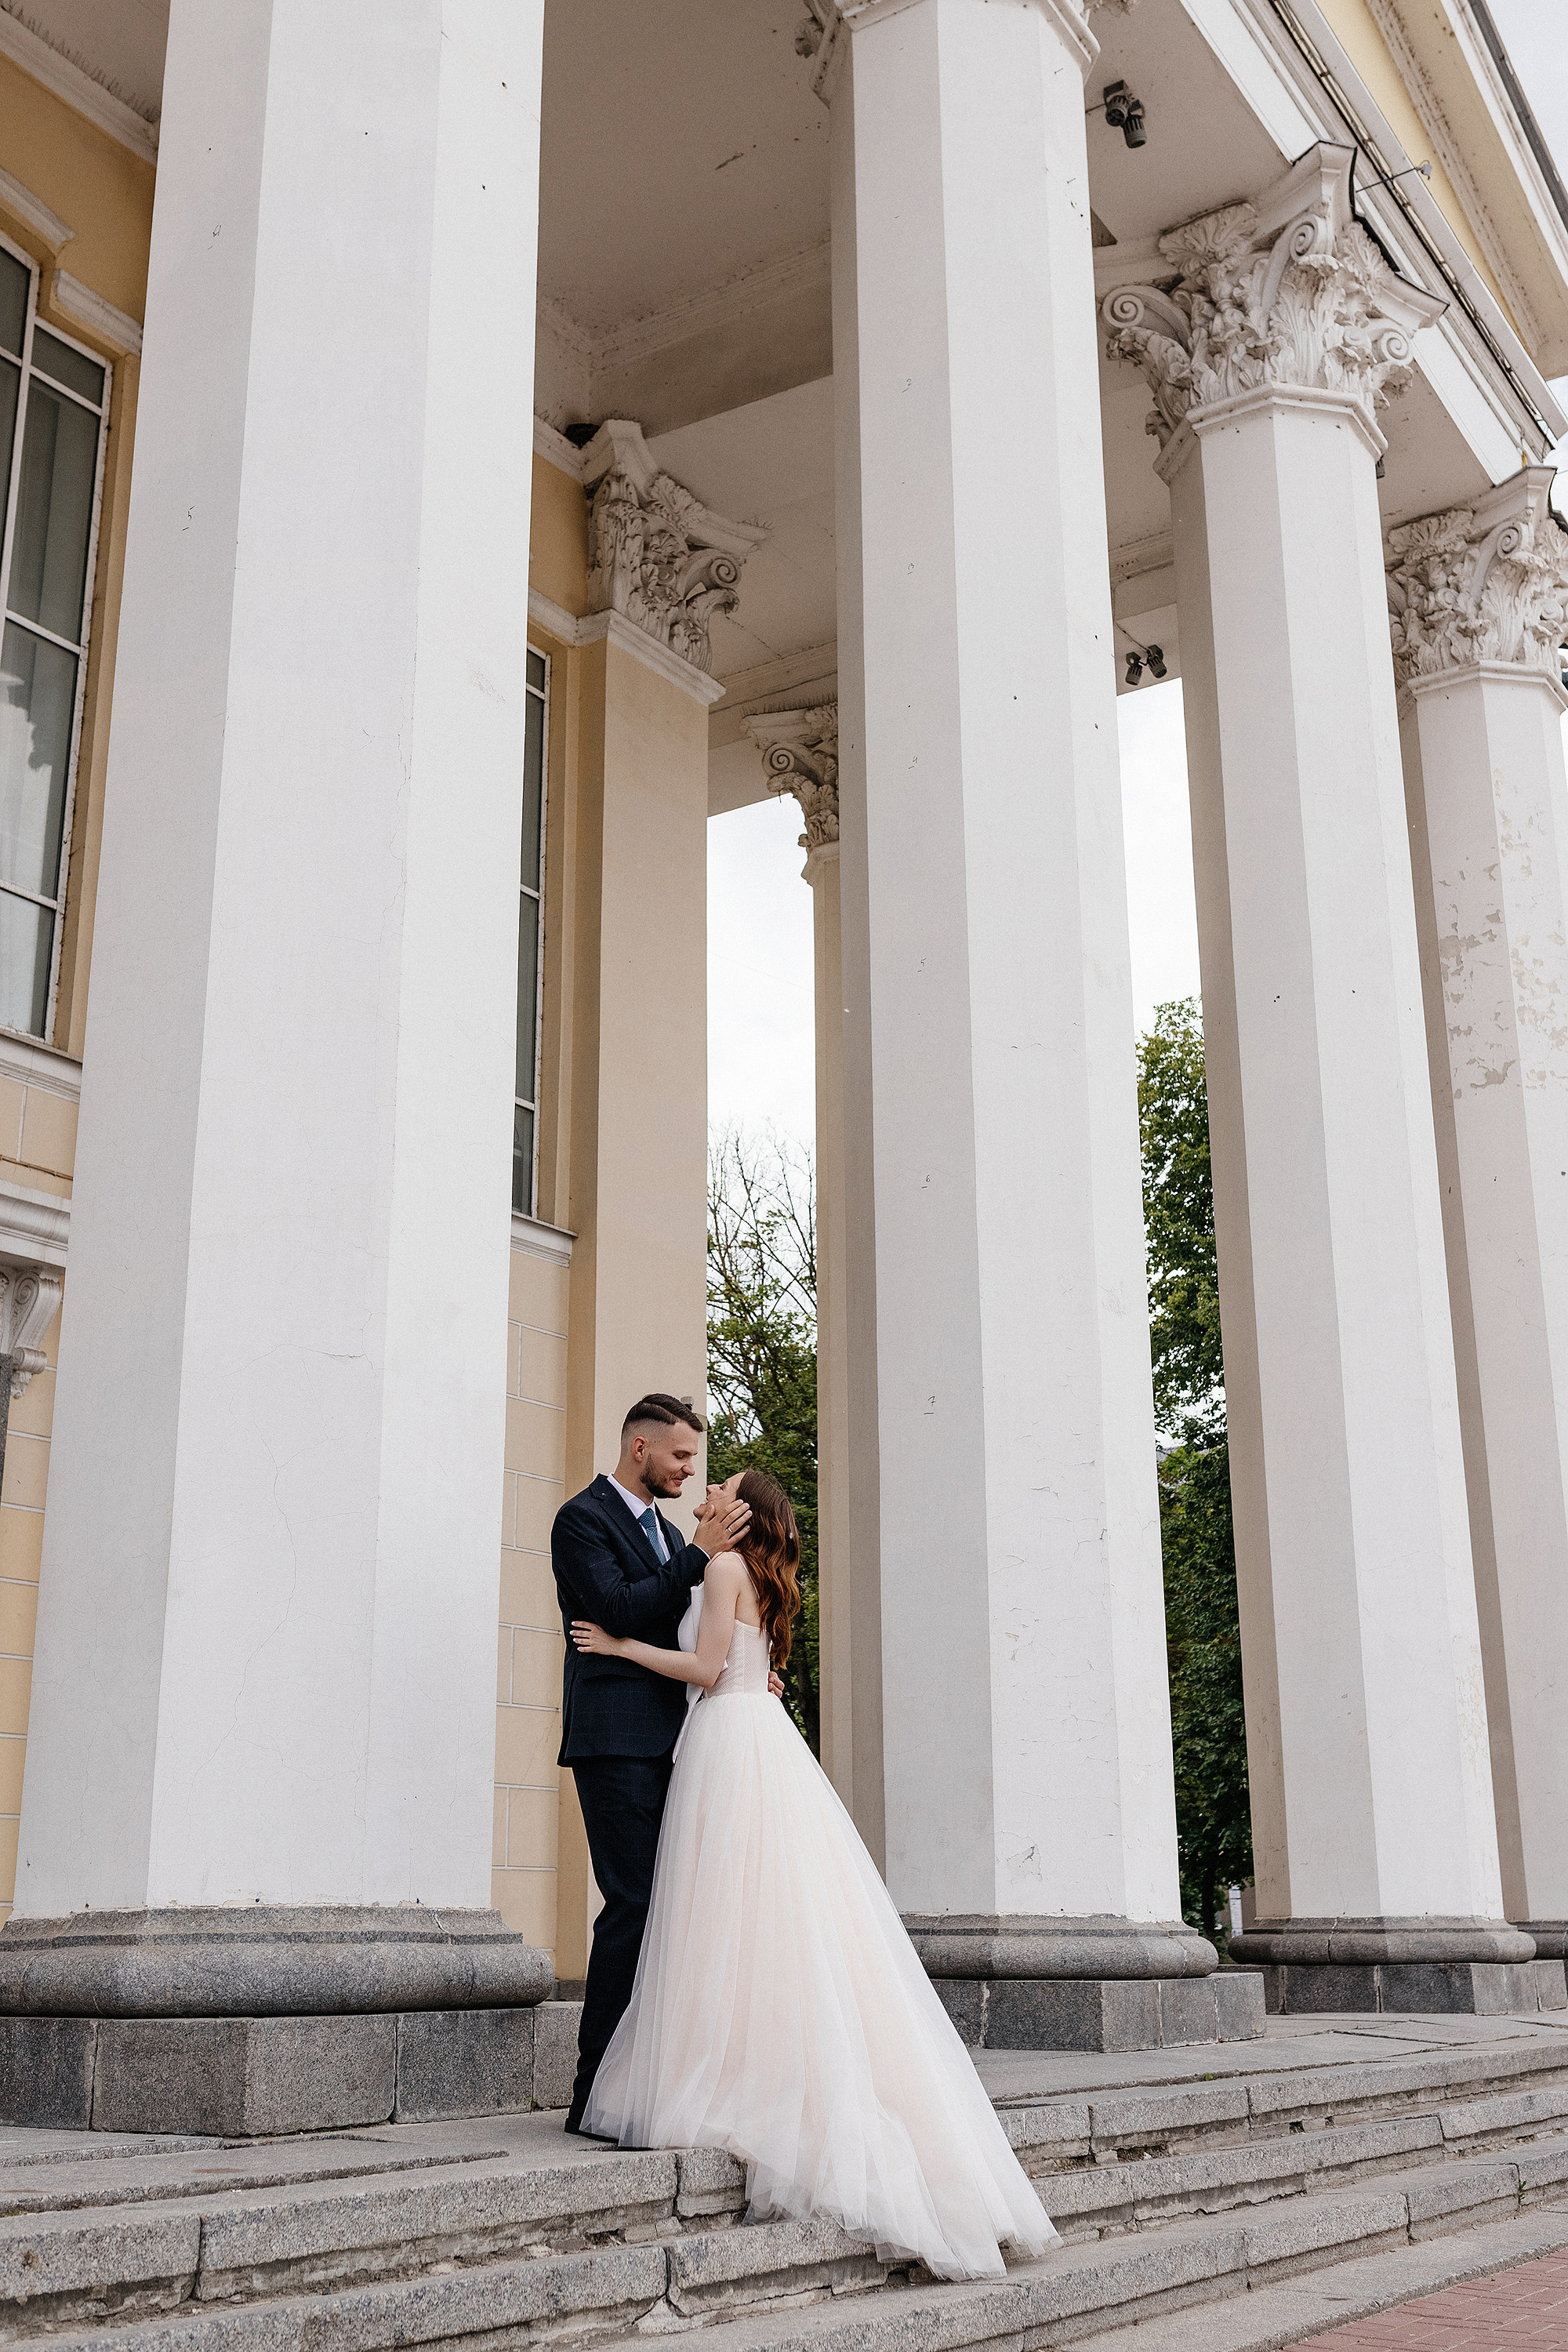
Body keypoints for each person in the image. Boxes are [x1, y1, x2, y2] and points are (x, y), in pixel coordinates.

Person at [569, 1468, 1058, 2281]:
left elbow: (704, 1671)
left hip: (729, 1739)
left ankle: (727, 2071)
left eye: (719, 1484)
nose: (708, 1488)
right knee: (756, 1909)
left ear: (742, 1512)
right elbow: (743, 1663)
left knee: (724, 1909)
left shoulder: (723, 1569)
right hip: (756, 1731)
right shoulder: (754, 1573)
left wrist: (618, 1645)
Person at [550, 1393, 762, 2136]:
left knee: (669, 1911)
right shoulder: (582, 1521)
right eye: (679, 1457)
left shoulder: (671, 1535)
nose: (688, 1470)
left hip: (677, 1743)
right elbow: (618, 1607)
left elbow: (689, 1626)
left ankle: (645, 2086)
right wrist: (699, 1556)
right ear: (640, 1448)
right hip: (614, 1743)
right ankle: (592, 2094)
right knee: (634, 1904)